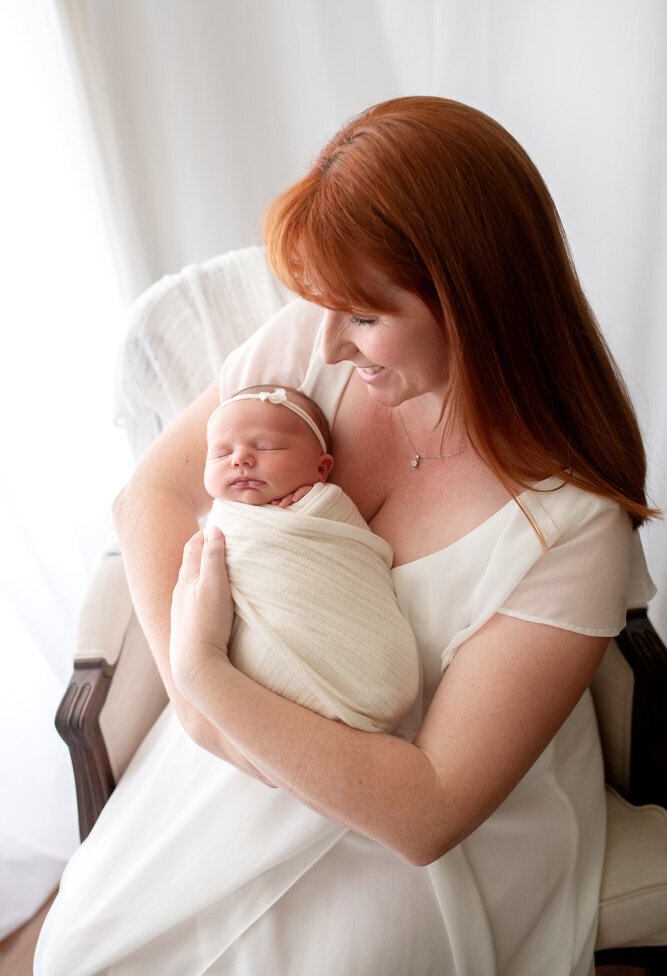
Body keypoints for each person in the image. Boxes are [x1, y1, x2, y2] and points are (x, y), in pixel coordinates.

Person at [35, 96, 657, 976]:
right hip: (239, 739)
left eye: (362, 317)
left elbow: (428, 811)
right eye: (321, 305)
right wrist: (196, 691)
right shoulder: (303, 350)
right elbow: (152, 493)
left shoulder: (568, 525)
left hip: (409, 819)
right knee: (88, 949)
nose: (325, 345)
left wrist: (210, 679)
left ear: (475, 303)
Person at [199, 383, 420, 733]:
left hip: (345, 645)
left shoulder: (326, 507)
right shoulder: (222, 520)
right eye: (221, 453)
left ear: (321, 469)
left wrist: (315, 507)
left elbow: (352, 555)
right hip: (255, 666)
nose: (240, 459)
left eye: (267, 447)